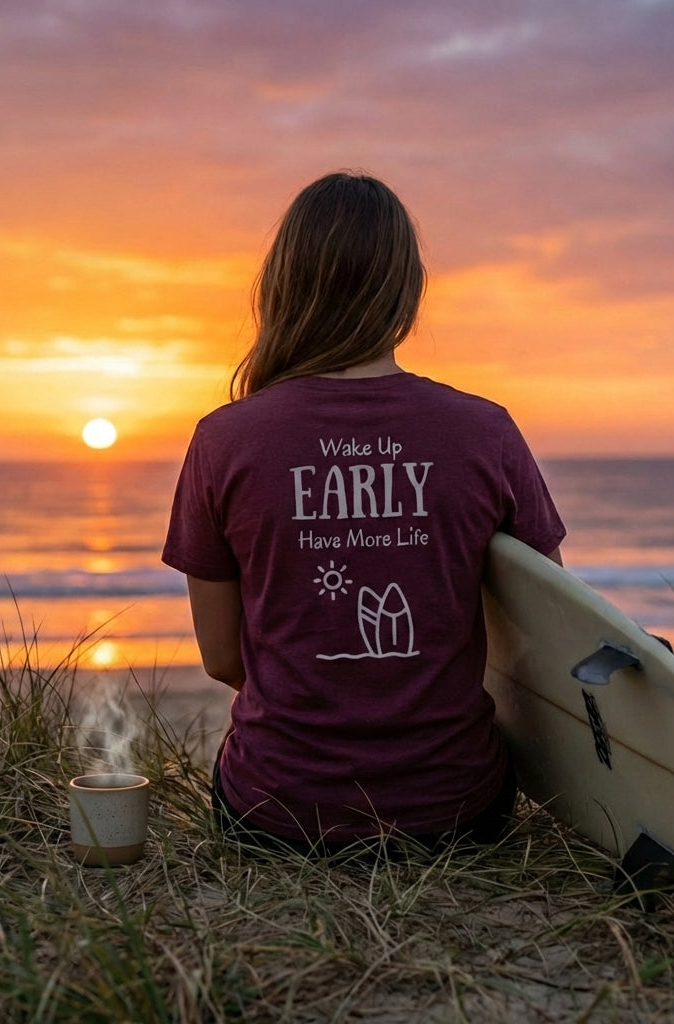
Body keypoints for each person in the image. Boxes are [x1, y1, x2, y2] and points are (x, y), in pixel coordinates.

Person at [163, 171, 565, 855]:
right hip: (457, 812)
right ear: (407, 291)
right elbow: (552, 628)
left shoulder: (223, 440)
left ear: (282, 286)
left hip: (279, 815)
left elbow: (223, 657)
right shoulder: (484, 430)